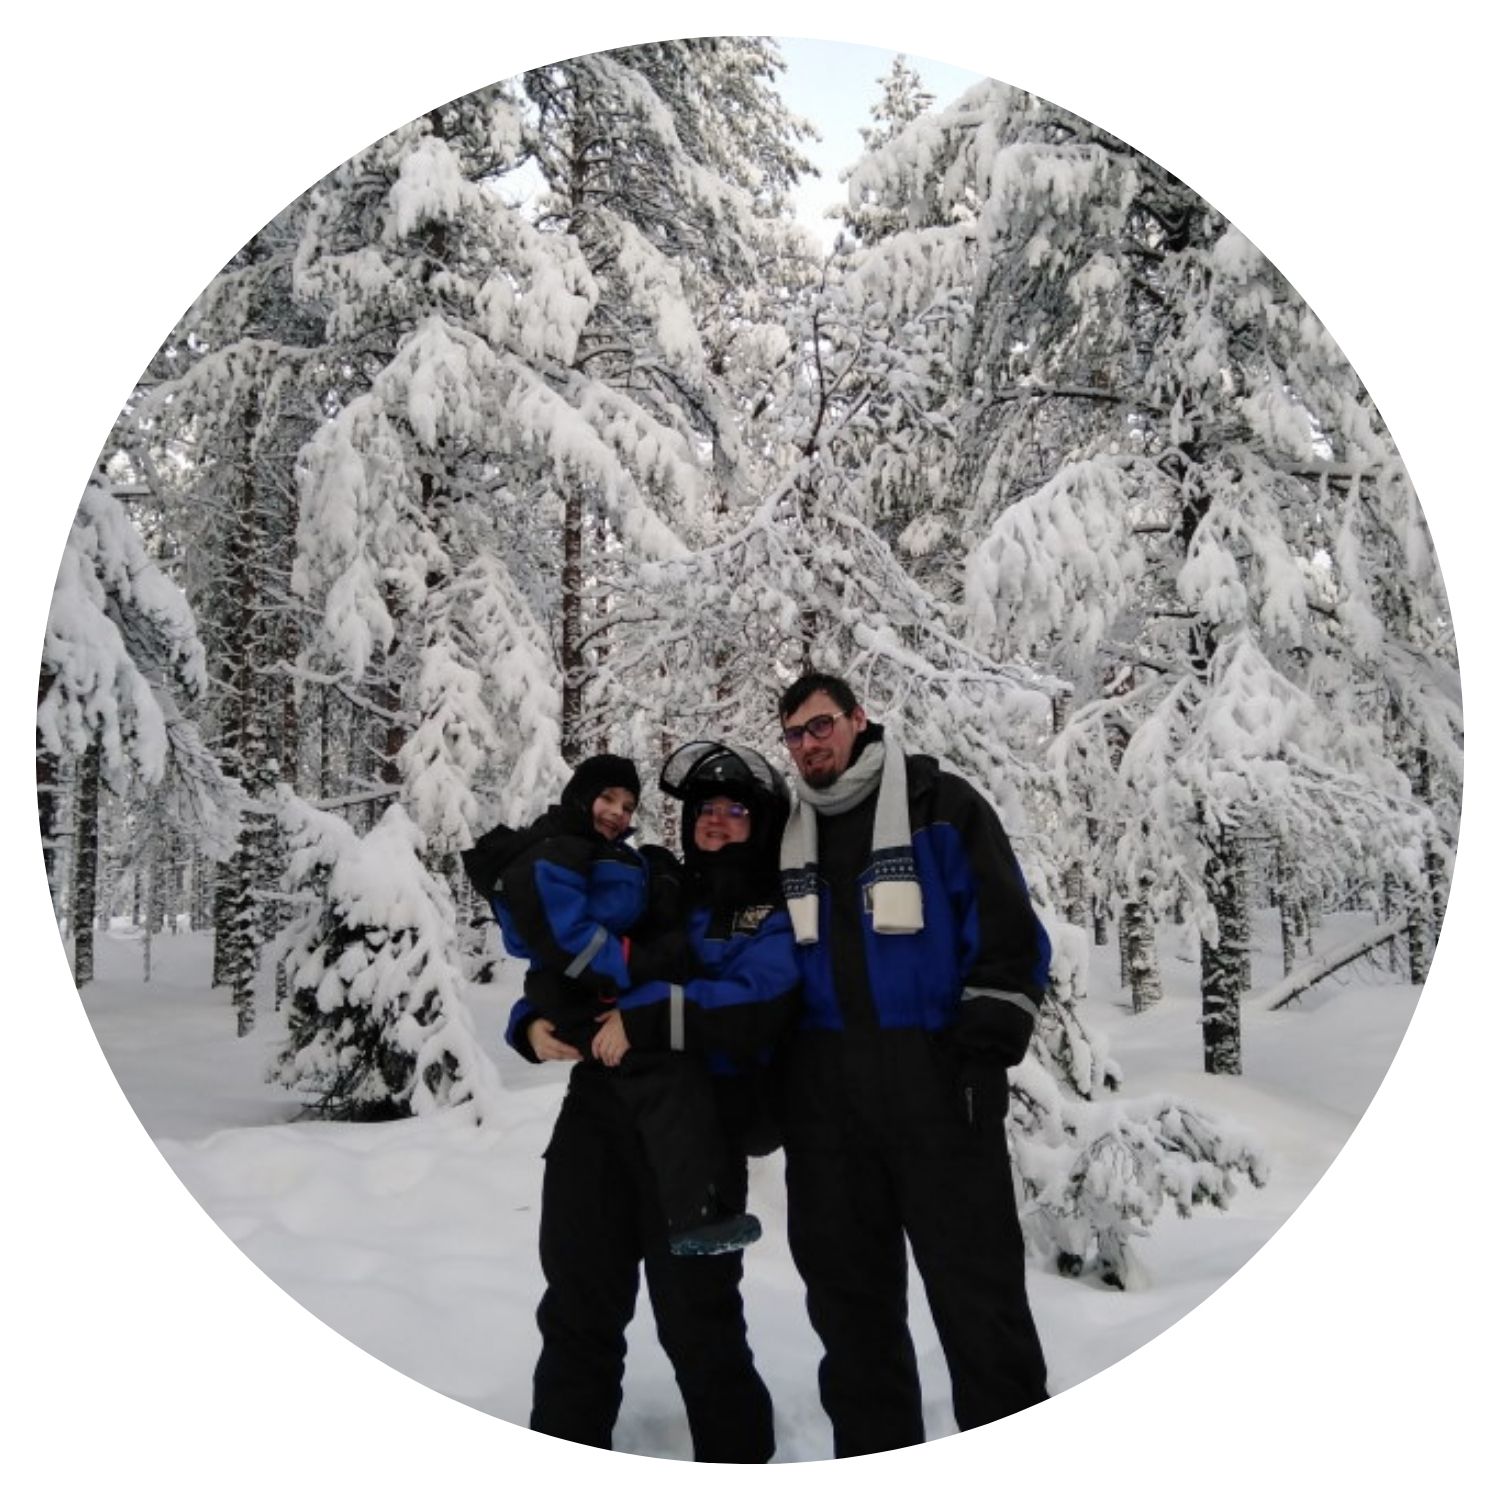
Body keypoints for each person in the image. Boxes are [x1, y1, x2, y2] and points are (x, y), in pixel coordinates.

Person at [493, 743, 799, 1461]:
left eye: (733, 811)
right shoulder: (651, 882)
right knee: (577, 1311)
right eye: (704, 811)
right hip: (595, 1123)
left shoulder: (766, 911)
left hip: (696, 1135)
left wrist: (652, 1016)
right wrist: (529, 1028)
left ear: (758, 824)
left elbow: (763, 1003)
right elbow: (567, 966)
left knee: (701, 1325)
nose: (715, 823)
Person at [774, 671, 1052, 1456]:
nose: (809, 745)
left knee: (979, 1306)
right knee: (851, 1314)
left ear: (859, 719)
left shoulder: (939, 805)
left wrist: (975, 1055)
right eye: (794, 735)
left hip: (937, 1087)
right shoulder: (788, 827)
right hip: (828, 1105)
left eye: (821, 725)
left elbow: (1007, 932)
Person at [462, 753, 760, 1255]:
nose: (618, 813)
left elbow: (753, 1000)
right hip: (597, 1028)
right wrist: (533, 1022)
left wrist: (640, 1004)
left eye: (628, 805)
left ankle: (692, 1211)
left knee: (667, 1082)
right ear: (580, 797)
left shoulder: (608, 857)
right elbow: (560, 946)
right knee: (663, 1081)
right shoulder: (558, 852)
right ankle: (692, 1213)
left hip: (620, 1018)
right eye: (607, 799)